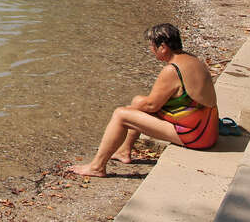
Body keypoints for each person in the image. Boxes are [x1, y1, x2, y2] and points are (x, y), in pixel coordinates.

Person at [68, 24, 219, 177]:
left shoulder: (172, 70)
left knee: (121, 114)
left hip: (197, 136)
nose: (151, 50)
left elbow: (152, 105)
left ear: (163, 47)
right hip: (207, 128)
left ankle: (97, 167)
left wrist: (130, 108)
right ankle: (124, 151)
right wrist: (136, 105)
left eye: (152, 46)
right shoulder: (191, 59)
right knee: (137, 102)